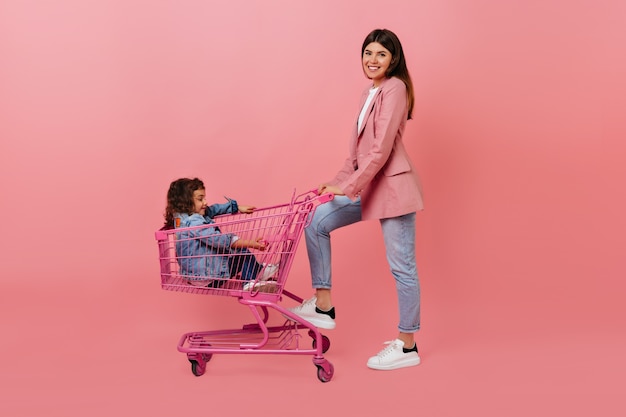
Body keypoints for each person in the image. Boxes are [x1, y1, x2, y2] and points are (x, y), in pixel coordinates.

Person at [288, 29, 424, 370]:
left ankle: (407, 344)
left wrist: (349, 187)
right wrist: (334, 183)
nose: (372, 60)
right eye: (368, 53)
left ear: (393, 59)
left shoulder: (395, 88)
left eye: (380, 54)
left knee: (402, 268)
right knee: (316, 220)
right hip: (368, 184)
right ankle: (323, 304)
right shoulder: (370, 91)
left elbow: (379, 152)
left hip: (392, 189)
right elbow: (357, 154)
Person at [164, 177, 277, 291]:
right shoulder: (193, 223)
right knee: (242, 253)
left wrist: (236, 207)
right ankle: (250, 282)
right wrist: (250, 243)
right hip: (208, 277)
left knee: (239, 255)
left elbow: (213, 209)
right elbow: (218, 240)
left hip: (195, 275)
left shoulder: (181, 217)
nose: (205, 202)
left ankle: (258, 271)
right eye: (200, 199)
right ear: (185, 202)